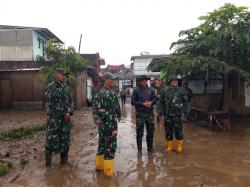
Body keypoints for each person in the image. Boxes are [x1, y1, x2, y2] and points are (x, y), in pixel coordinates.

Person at [92, 72, 121, 177]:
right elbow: (113, 112)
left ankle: (99, 168)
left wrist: (97, 119)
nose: (114, 81)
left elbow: (95, 108)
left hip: (102, 125)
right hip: (109, 125)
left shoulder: (99, 93)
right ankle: (108, 174)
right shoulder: (110, 93)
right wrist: (114, 128)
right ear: (107, 80)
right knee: (111, 147)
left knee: (102, 145)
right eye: (112, 79)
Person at [44, 68, 74, 167]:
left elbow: (71, 102)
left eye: (65, 75)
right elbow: (48, 104)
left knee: (65, 140)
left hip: (65, 121)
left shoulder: (66, 88)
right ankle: (48, 165)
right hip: (54, 121)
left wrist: (69, 112)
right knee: (51, 141)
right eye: (62, 75)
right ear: (56, 75)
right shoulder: (50, 87)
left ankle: (64, 161)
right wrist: (62, 112)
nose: (64, 76)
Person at [159, 75, 187, 154]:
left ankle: (179, 147)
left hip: (178, 116)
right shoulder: (165, 91)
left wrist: (184, 113)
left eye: (176, 81)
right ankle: (169, 147)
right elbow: (161, 102)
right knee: (168, 132)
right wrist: (161, 113)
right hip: (168, 116)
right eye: (173, 81)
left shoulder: (181, 91)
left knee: (179, 132)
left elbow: (186, 103)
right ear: (169, 82)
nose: (175, 82)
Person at [131, 75, 157, 155]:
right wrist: (142, 104)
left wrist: (151, 103)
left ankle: (150, 149)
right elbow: (133, 102)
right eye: (143, 80)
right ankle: (139, 151)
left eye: (146, 80)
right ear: (140, 81)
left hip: (150, 114)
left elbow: (155, 99)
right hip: (140, 114)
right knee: (139, 133)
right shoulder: (136, 90)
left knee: (150, 132)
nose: (144, 82)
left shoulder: (151, 90)